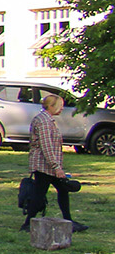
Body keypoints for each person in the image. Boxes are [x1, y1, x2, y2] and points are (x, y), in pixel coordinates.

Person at [24, 93, 88, 233]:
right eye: (60, 106)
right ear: (51, 106)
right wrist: (56, 167)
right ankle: (28, 223)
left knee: (62, 189)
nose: (62, 109)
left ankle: (68, 221)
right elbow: (46, 146)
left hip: (48, 164)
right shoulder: (44, 122)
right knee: (39, 194)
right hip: (44, 164)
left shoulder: (47, 119)